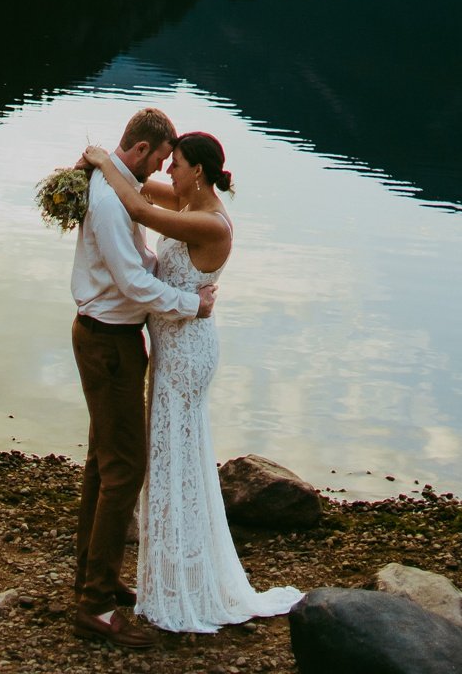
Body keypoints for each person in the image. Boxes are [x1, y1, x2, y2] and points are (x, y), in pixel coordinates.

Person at [82, 129, 303, 635]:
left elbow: (138, 210)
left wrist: (99, 155)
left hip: (186, 356)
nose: (167, 171)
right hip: (169, 349)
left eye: (175, 163)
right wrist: (101, 169)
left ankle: (183, 580)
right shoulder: (185, 201)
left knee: (174, 457)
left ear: (197, 171)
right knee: (169, 459)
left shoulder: (210, 224)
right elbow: (134, 188)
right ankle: (171, 572)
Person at [70, 106, 216, 651]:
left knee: (102, 463)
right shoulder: (111, 200)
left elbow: (134, 261)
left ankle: (92, 578)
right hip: (107, 342)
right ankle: (95, 605)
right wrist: (189, 305)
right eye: (160, 157)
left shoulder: (119, 190)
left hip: (115, 340)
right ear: (140, 150)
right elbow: (131, 282)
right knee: (125, 471)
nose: (161, 170)